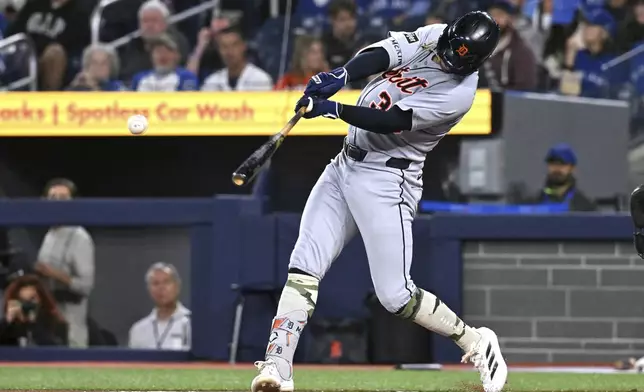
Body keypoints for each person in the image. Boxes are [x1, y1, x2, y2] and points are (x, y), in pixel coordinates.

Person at [250, 11, 507, 392]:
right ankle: (277, 367)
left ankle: (474, 340)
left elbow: (394, 120)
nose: (450, 57)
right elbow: (385, 52)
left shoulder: (460, 93)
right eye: (453, 48)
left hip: (388, 180)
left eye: (462, 55)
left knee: (396, 295)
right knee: (304, 265)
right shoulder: (436, 35)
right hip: (344, 164)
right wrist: (341, 76)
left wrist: (334, 109)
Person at [35, 178, 95, 348]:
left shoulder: (79, 236)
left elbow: (86, 285)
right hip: (48, 318)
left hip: (71, 322)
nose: (57, 203)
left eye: (63, 198)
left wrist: (54, 274)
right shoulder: (49, 234)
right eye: (52, 198)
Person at [5, 0, 91, 90]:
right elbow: (13, 32)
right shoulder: (33, 4)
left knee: (55, 52)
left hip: (51, 59)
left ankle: (47, 99)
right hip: (24, 55)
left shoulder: (79, 12)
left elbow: (75, 44)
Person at [118, 0, 190, 84]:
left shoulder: (177, 42)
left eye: (154, 20)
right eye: (145, 21)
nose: (149, 25)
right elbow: (126, 75)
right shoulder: (133, 44)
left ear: (165, 23)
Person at [128, 262, 190, 350]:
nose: (161, 288)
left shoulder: (192, 325)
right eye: (156, 283)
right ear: (149, 289)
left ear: (177, 286)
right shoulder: (138, 330)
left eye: (166, 282)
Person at [0, 275, 67, 346]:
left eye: (31, 300)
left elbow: (58, 351)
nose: (27, 306)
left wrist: (33, 324)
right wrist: (7, 321)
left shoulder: (56, 323)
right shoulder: (8, 327)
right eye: (22, 301)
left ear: (42, 300)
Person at [201, 27, 273, 91]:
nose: (229, 51)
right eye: (224, 47)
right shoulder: (212, 82)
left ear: (243, 46)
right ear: (218, 50)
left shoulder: (260, 79)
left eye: (234, 45)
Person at [533, 143, 596, 211]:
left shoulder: (584, 205)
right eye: (553, 164)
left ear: (572, 168)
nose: (556, 169)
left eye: (562, 164)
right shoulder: (535, 201)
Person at [131, 33, 198, 92]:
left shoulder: (186, 77)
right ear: (151, 56)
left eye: (167, 50)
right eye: (158, 51)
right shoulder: (139, 78)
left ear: (177, 56)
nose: (162, 55)